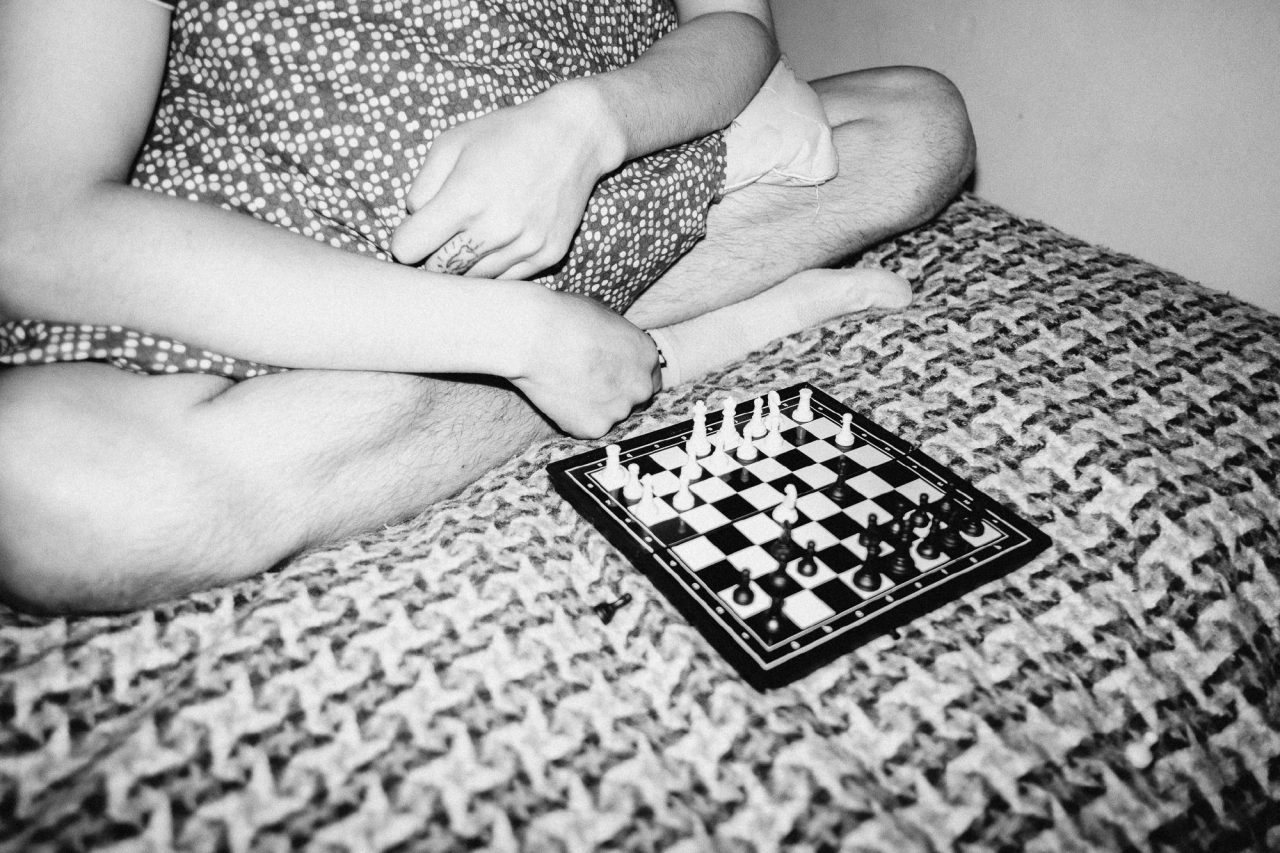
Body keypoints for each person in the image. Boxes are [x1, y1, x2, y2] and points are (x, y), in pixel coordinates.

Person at [0, 0, 975, 613]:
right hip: (301, 274)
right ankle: (646, 346)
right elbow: (32, 223)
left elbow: (736, 26)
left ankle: (600, 339)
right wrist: (515, 334)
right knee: (54, 494)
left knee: (919, 125)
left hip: (616, 200)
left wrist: (589, 124)